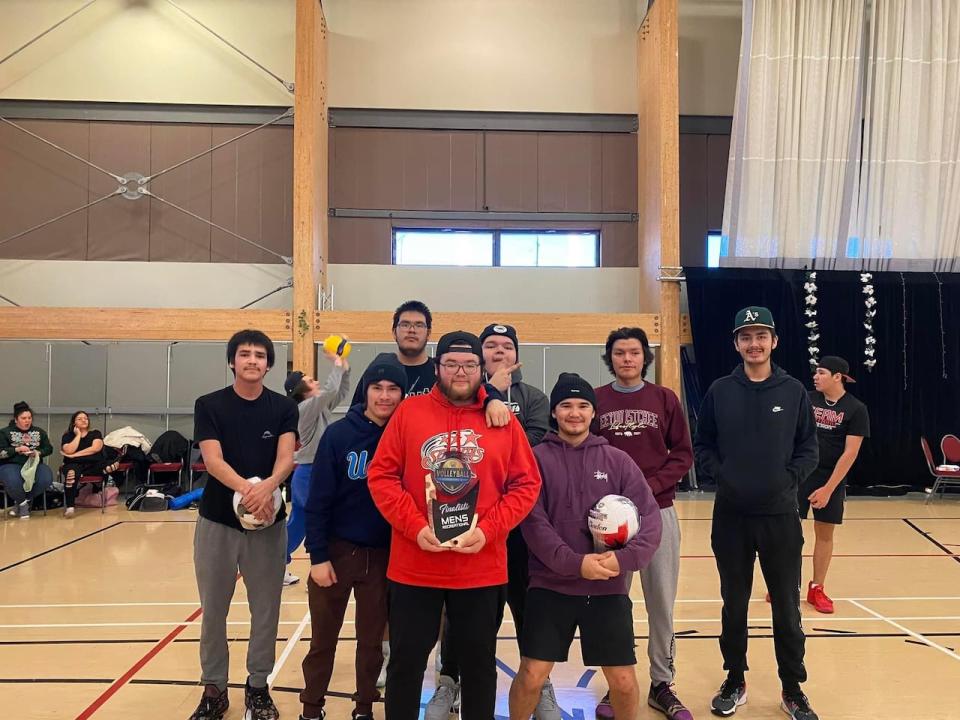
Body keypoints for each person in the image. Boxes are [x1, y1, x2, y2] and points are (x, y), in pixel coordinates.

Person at [367, 330, 542, 720]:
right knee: (406, 664)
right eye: (451, 364)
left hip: (480, 567)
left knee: (479, 667)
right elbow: (381, 476)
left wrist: (488, 530)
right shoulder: (409, 414)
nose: (460, 372)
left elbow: (527, 483)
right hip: (416, 566)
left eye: (469, 364)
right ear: (436, 367)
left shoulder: (502, 420)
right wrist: (415, 528)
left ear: (482, 369)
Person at [509, 373, 663, 720]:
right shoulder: (535, 460)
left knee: (623, 681)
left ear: (593, 413)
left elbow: (650, 518)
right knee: (532, 675)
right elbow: (533, 524)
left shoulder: (618, 461)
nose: (574, 413)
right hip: (551, 586)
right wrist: (576, 564)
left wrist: (624, 559)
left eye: (582, 406)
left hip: (607, 588)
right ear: (554, 413)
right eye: (566, 405)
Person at [694, 307, 819, 720]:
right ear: (736, 343)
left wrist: (788, 480)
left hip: (780, 517)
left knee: (786, 604)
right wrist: (723, 476)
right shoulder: (719, 390)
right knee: (735, 602)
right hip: (731, 517)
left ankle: (792, 688)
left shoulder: (794, 391)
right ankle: (735, 678)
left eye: (761, 335)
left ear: (774, 341)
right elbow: (704, 445)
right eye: (746, 336)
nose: (754, 343)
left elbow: (809, 449)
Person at [429, 322, 553, 719]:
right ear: (479, 357)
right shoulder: (464, 401)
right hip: (464, 525)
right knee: (461, 614)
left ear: (517, 355)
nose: (499, 352)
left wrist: (495, 395)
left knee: (526, 607)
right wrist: (488, 395)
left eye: (506, 346)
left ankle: (540, 683)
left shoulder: (534, 398)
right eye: (491, 346)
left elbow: (529, 450)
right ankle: (450, 680)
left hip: (519, 529)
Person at [189, 329, 298, 720]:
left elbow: (286, 459)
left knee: (266, 609)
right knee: (213, 610)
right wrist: (247, 492)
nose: (252, 361)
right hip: (217, 522)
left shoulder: (284, 407)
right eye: (244, 354)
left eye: (259, 355)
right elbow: (213, 461)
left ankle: (257, 688)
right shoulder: (210, 405)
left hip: (269, 523)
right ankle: (214, 689)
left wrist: (268, 489)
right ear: (232, 361)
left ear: (268, 364)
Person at [592, 328, 694, 720]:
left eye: (634, 352)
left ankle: (661, 683)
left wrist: (648, 488)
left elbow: (682, 454)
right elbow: (588, 454)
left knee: (661, 601)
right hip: (610, 519)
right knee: (613, 602)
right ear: (610, 357)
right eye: (619, 353)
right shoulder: (597, 400)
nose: (627, 359)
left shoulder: (664, 398)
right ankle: (617, 683)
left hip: (658, 510)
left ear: (644, 358)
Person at [299, 357, 406, 720]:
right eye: (378, 387)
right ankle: (312, 708)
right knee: (322, 642)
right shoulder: (340, 435)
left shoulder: (405, 437)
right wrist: (317, 556)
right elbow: (317, 501)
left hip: (383, 557)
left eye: (393, 389)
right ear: (365, 390)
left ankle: (364, 708)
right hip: (337, 551)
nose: (385, 396)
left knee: (372, 643)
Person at [801, 356, 869, 613]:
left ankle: (817, 588)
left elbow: (850, 453)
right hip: (798, 474)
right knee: (788, 533)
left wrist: (828, 489)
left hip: (830, 478)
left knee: (824, 534)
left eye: (821, 372)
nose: (815, 377)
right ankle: (785, 586)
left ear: (837, 376)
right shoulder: (805, 399)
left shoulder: (856, 409)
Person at [283, 349, 352, 586]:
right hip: (308, 473)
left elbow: (340, 392)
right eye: (311, 381)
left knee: (300, 523)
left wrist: (345, 368)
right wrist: (336, 362)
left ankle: (278, 562)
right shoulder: (305, 408)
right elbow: (331, 390)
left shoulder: (317, 406)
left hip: (317, 471)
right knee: (313, 521)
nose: (317, 382)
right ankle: (310, 566)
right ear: (302, 391)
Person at [351, 300, 437, 404]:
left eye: (419, 325)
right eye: (405, 325)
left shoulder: (439, 373)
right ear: (394, 332)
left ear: (428, 333)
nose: (412, 330)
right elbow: (357, 413)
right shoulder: (379, 368)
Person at [59, 410, 121, 517]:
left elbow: (95, 448)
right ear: (74, 423)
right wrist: (78, 435)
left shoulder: (95, 433)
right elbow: (68, 450)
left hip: (93, 464)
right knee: (71, 474)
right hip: (73, 465)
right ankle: (70, 507)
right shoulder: (68, 436)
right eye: (80, 419)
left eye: (86, 418)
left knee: (110, 463)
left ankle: (102, 476)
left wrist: (75, 455)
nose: (84, 420)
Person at [0, 401, 54, 518]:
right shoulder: (4, 432)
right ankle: (23, 505)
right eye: (23, 418)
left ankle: (23, 501)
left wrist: (38, 452)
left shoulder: (39, 432)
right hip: (11, 464)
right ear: (16, 419)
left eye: (29, 418)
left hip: (34, 465)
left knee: (46, 478)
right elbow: (1, 452)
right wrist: (17, 449)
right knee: (14, 481)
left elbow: (49, 448)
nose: (27, 421)